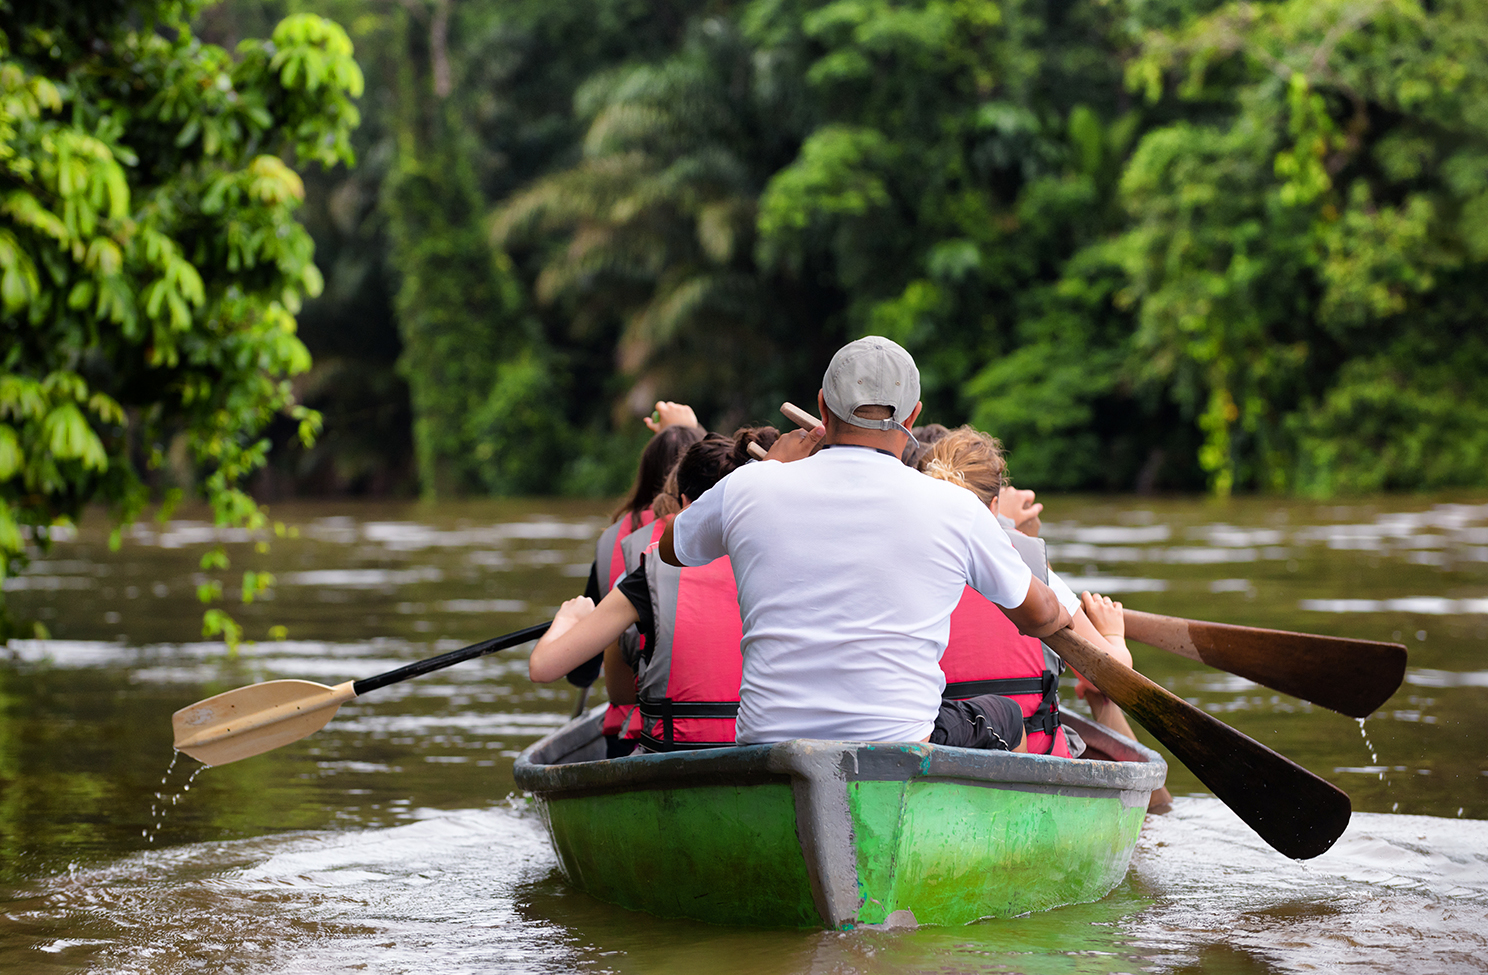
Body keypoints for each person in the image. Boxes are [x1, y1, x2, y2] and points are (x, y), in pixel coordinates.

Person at [660, 336, 1081, 752]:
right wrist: (1065, 611)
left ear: (823, 407)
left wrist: (768, 469)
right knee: (1005, 715)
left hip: (768, 747)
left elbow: (670, 547)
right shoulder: (956, 506)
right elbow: (1039, 616)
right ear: (913, 417)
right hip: (900, 747)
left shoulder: (749, 486)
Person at [529, 428, 778, 752]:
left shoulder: (650, 571)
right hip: (764, 751)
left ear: (683, 503)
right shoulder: (783, 561)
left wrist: (568, 619)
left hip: (673, 755)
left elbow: (544, 668)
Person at [920, 426, 1134, 756]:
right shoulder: (1032, 565)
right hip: (1037, 753)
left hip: (944, 750)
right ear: (994, 507)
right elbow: (1110, 677)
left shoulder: (910, 566)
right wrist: (1114, 634)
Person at [568, 404, 703, 756]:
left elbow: (580, 671)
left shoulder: (613, 539)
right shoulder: (719, 531)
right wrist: (693, 430)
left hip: (634, 724)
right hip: (704, 719)